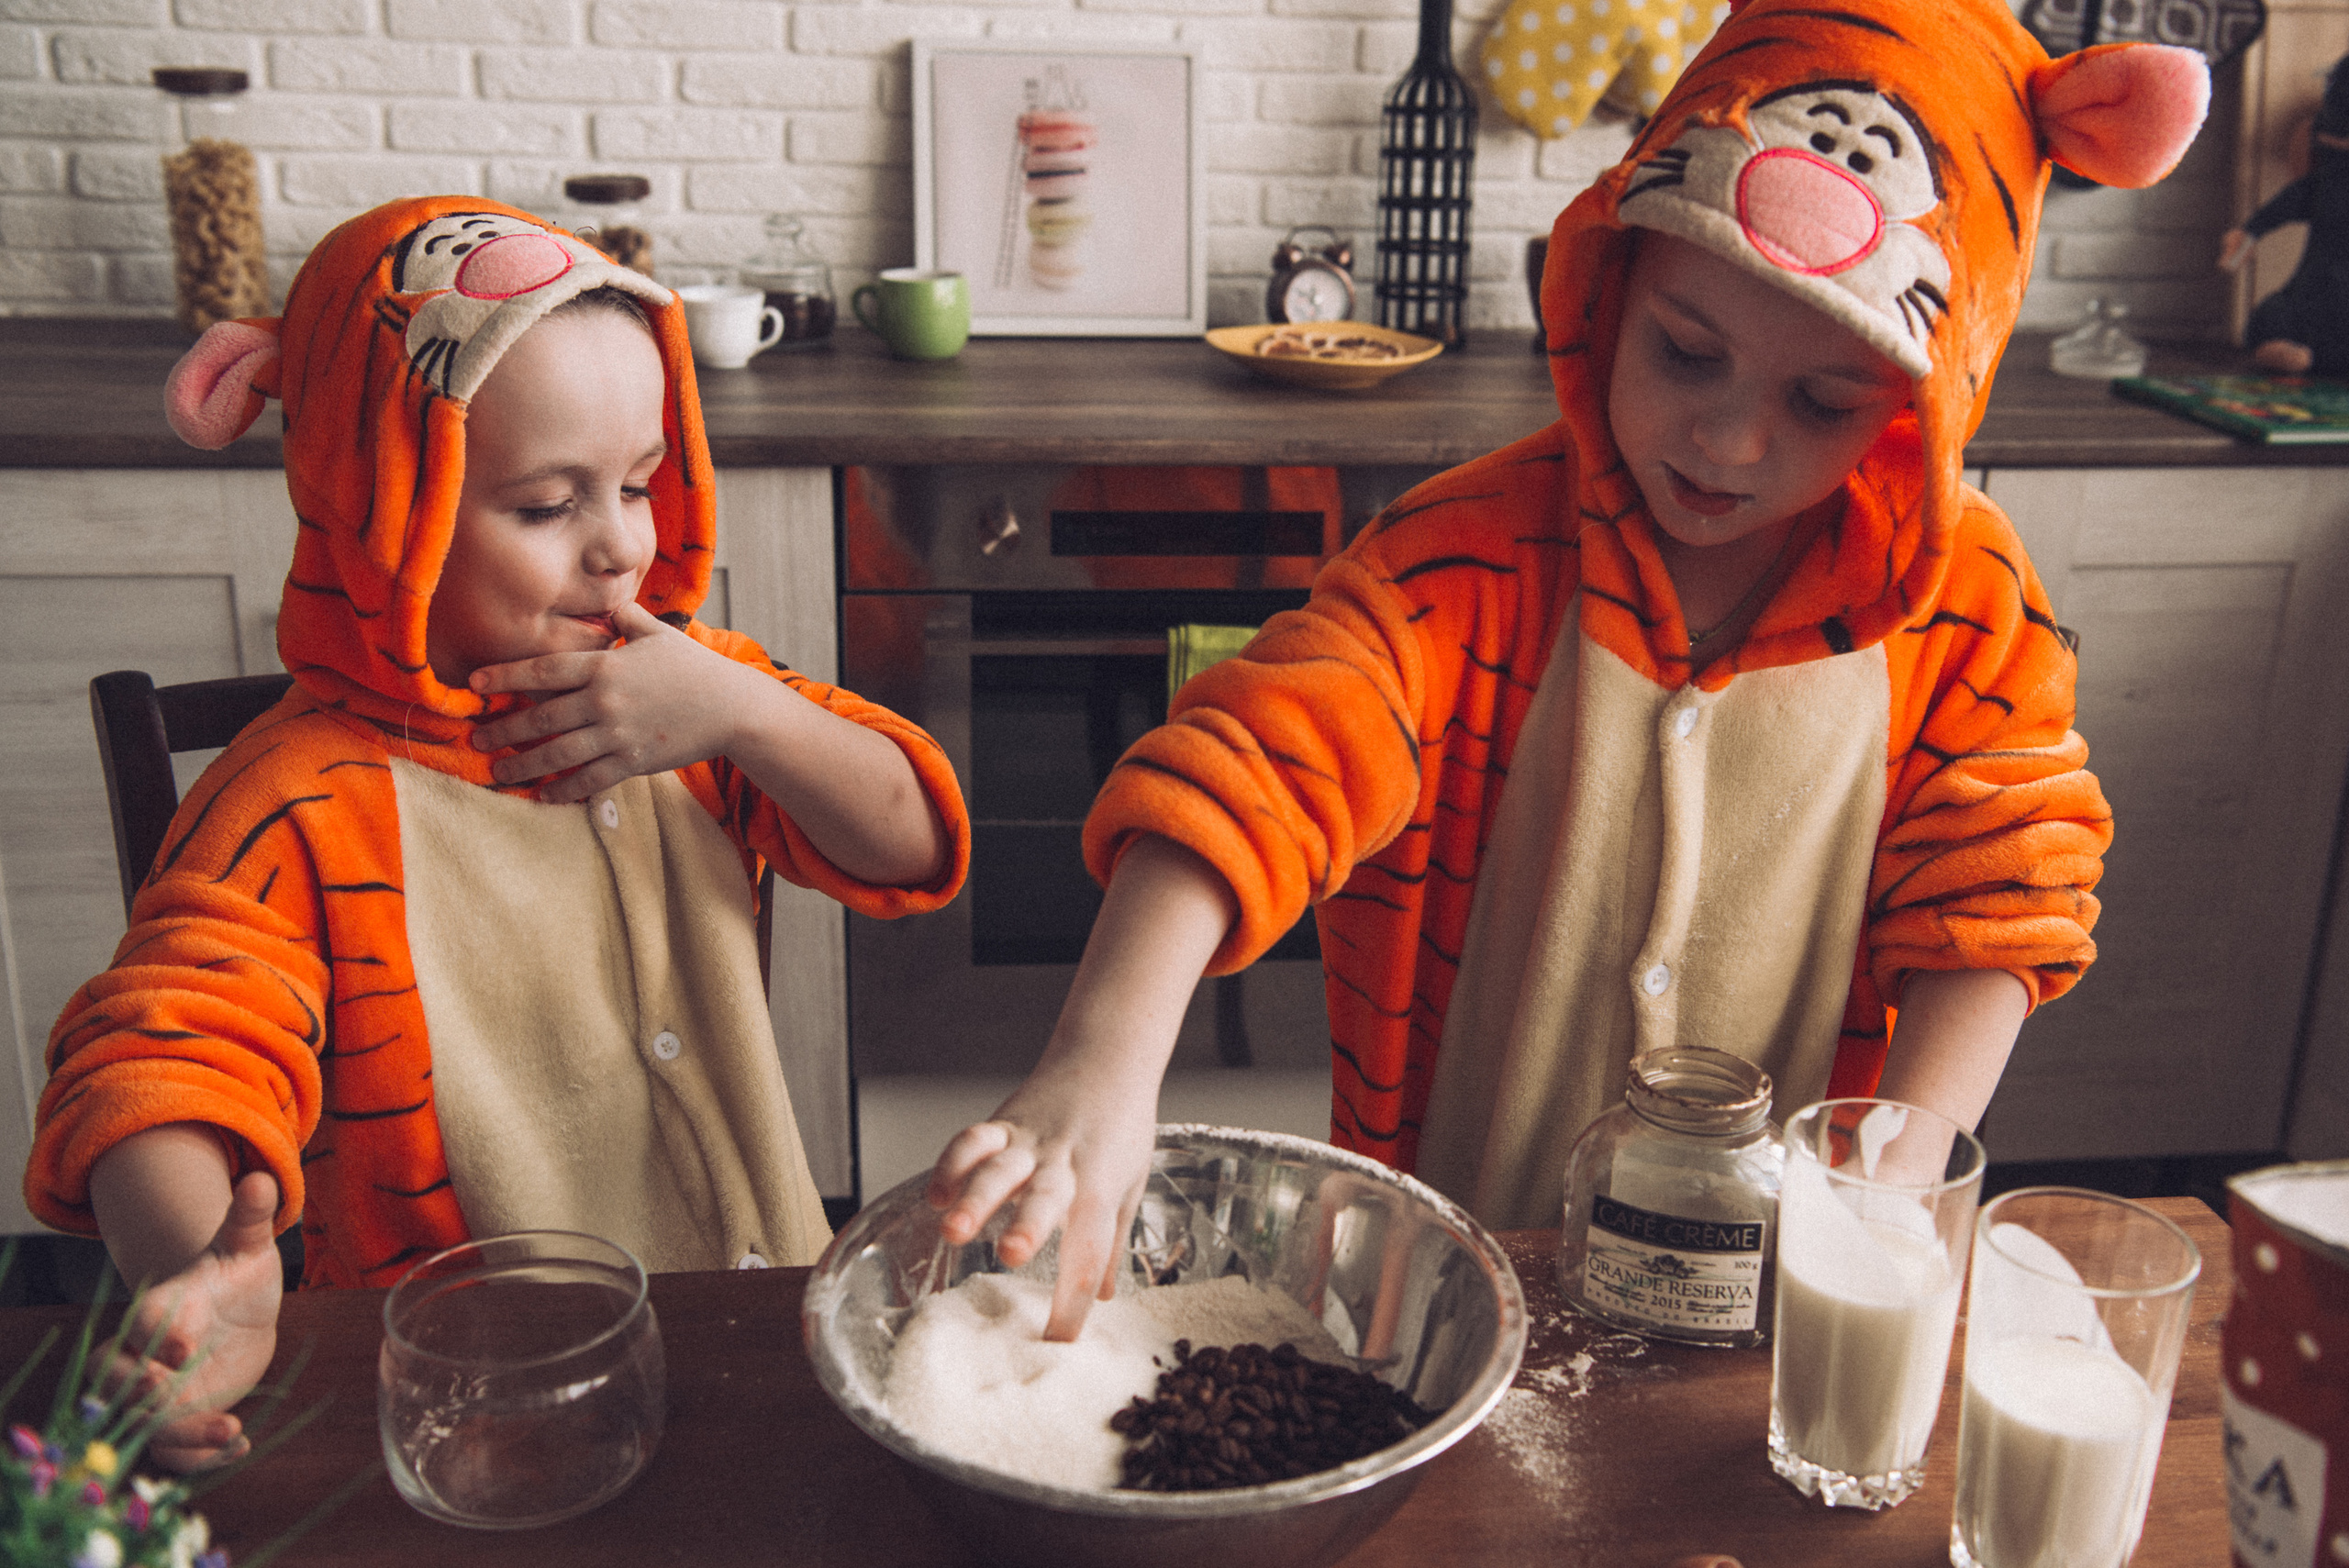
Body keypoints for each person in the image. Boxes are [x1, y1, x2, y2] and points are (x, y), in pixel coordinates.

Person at [929, 0, 2212, 1341]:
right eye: (1685, 352)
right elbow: (1270, 754)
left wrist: (1907, 1152)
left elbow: (2002, 879)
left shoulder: (1969, 609)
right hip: (1456, 1271)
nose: (1727, 437)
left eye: (1823, 403)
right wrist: (1105, 1053)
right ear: (1609, 288)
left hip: (1781, 1299)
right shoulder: (1462, 558)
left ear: (1922, 402)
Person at [26, 195, 970, 1468]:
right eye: (546, 506)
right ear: (377, 508)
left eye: (638, 486)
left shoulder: (695, 695)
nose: (621, 549)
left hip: (750, 1324)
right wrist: (201, 1262)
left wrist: (749, 714)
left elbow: (912, 839)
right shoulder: (299, 800)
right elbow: (174, 1055)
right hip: (462, 1399)